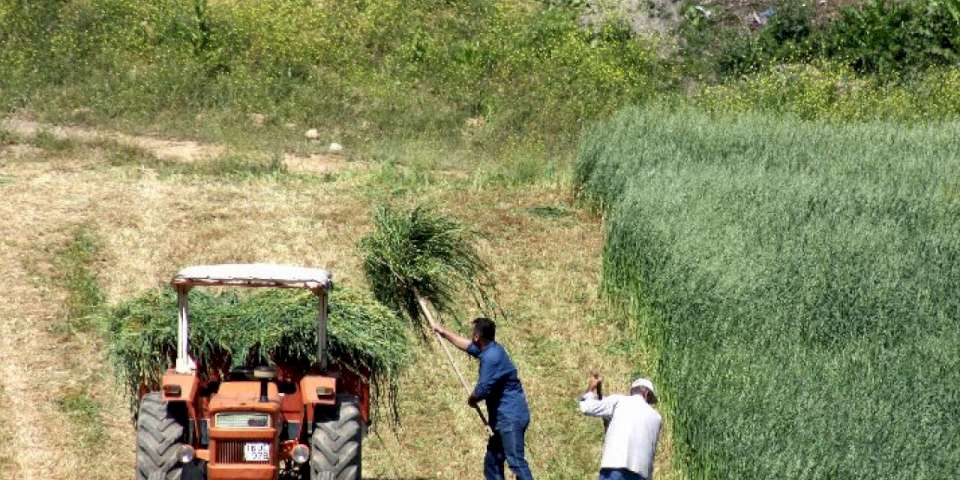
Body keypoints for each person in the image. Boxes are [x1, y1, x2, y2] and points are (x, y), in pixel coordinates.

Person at [432, 317, 534, 480]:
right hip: (503, 418)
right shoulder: (490, 349)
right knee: (492, 462)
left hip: (510, 418)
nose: (472, 335)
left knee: (516, 463)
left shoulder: (491, 358)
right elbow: (467, 346)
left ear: (477, 336)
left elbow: (482, 390)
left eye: (474, 332)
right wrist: (444, 333)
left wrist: (472, 400)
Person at [578, 373, 662, 480]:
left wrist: (591, 389)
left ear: (632, 391)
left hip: (615, 467)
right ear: (646, 394)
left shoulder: (619, 401)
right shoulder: (657, 418)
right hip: (641, 475)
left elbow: (586, 407)